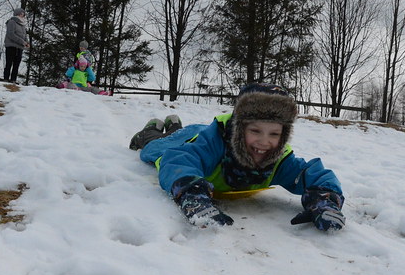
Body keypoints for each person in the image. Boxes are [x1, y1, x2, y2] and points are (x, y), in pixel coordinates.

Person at [129, 83, 345, 230]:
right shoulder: (215, 142)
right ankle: (151, 131)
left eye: (274, 134)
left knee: (176, 134)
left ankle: (175, 124)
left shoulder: (277, 159)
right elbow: (179, 160)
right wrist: (192, 194)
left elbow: (314, 175)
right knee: (153, 150)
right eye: (255, 131)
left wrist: (325, 202)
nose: (264, 142)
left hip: (197, 132)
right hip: (190, 137)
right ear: (238, 129)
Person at [3, 7, 29, 83]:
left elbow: (24, 35)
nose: (22, 15)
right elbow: (11, 34)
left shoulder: (23, 25)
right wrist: (22, 42)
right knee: (9, 63)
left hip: (19, 47)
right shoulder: (12, 22)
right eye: (21, 14)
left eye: (23, 14)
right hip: (11, 46)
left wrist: (26, 43)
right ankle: (6, 79)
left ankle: (13, 80)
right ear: (17, 14)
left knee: (16, 64)